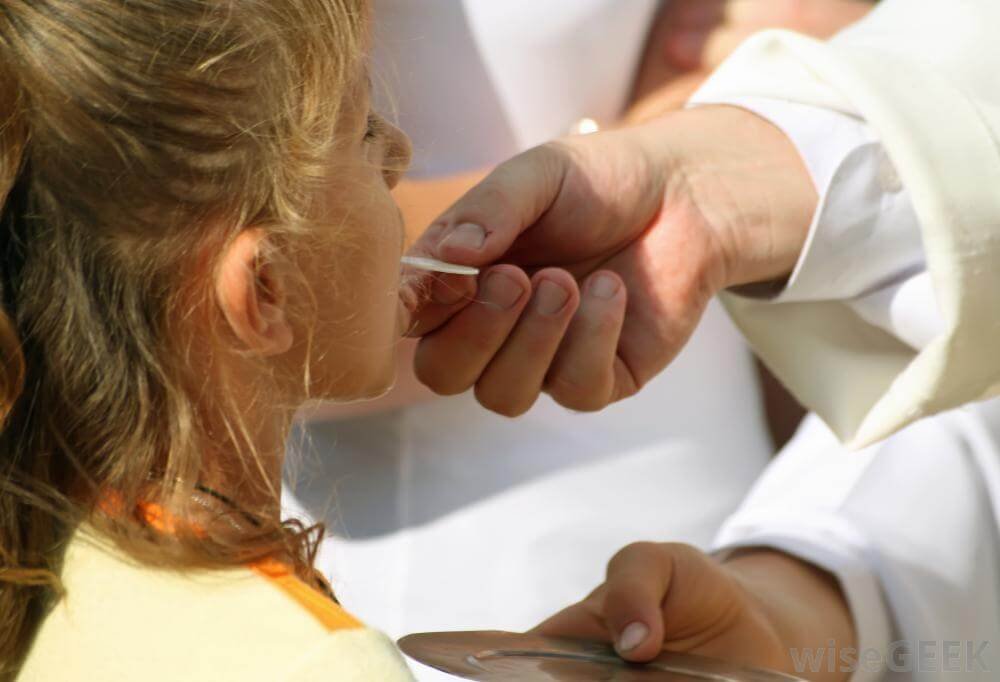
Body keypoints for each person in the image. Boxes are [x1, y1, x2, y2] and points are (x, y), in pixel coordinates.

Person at [399, 0, 1000, 679]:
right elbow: (288, 232)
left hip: (756, 509)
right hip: (439, 589)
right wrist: (678, 139)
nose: (385, 154)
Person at [0, 1, 415, 679]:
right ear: (268, 289)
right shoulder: (315, 663)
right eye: (364, 131)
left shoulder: (46, 570)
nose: (400, 154)